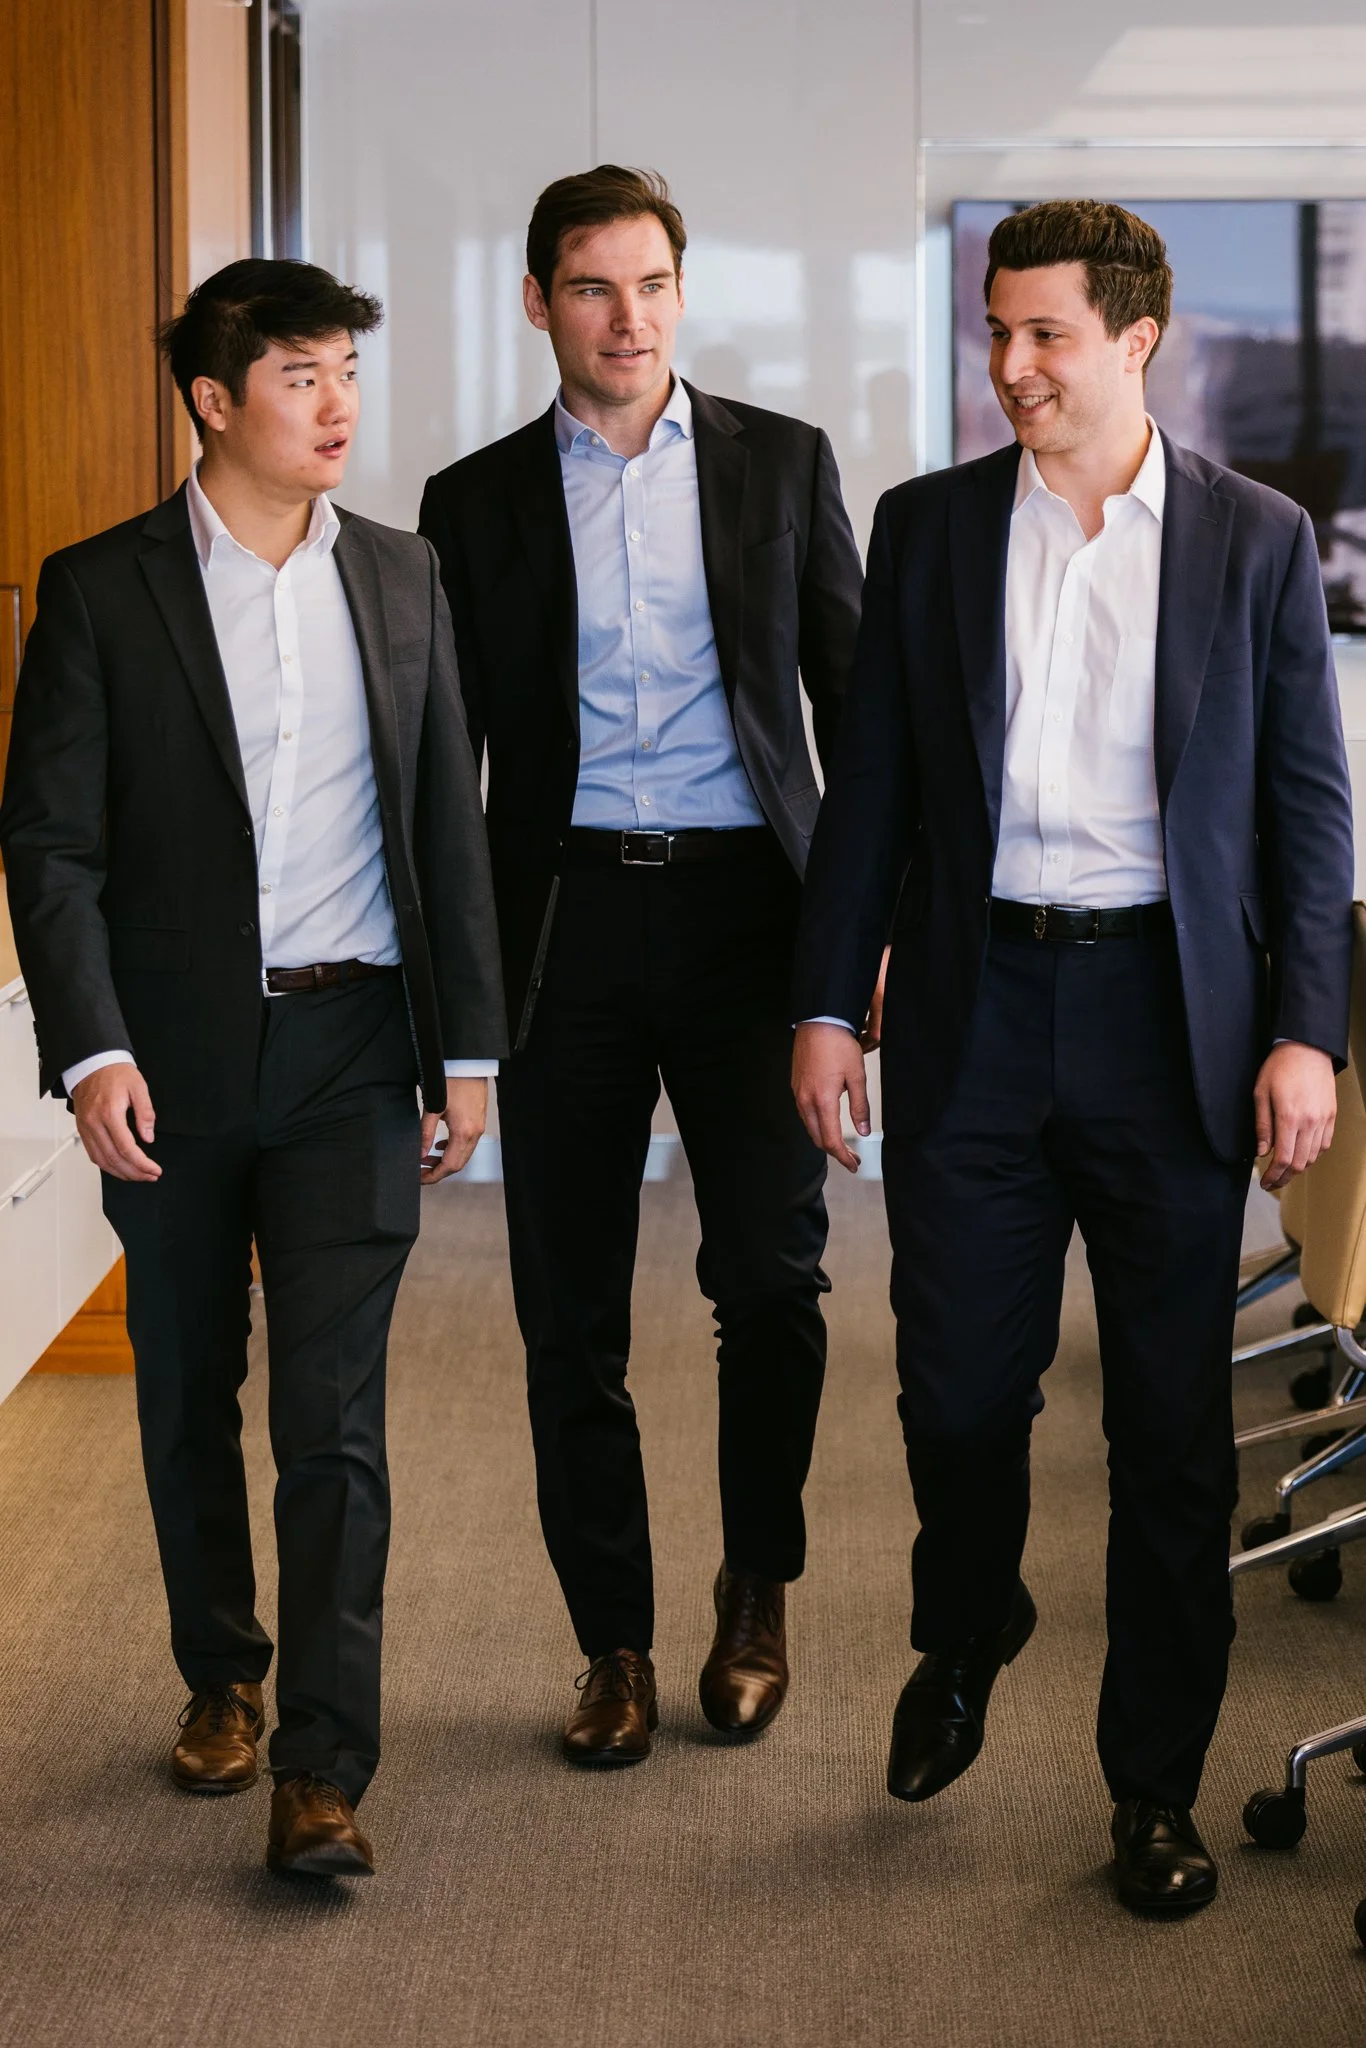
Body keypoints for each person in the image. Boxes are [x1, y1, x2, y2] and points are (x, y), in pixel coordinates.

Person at [791, 200, 1353, 1915]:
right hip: (974, 1014)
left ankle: (1152, 1794)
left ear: (1134, 339)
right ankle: (967, 1627)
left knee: (1170, 1438)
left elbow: (1301, 811)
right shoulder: (930, 529)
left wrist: (1304, 1032)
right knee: (958, 1394)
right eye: (995, 330)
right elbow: (872, 788)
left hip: (1166, 1024)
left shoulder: (1254, 540)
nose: (1008, 366)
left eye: (1042, 334)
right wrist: (825, 1003)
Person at [0, 259, 507, 1879]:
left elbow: (449, 823)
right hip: (174, 1058)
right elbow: (54, 842)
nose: (338, 403)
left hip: (358, 1044)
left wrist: (468, 1049)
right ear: (215, 401)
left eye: (347, 369)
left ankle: (323, 1762)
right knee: (184, 1389)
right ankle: (221, 1672)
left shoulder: (407, 575)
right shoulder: (101, 588)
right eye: (301, 374)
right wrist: (87, 1048)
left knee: (334, 1416)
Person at [419, 166, 862, 1765]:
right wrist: (449, 1009)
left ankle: (757, 1588)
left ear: (685, 289)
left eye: (653, 283)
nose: (629, 318)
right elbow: (440, 768)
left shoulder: (780, 466)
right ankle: (609, 1639)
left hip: (751, 919)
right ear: (537, 299)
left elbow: (856, 726)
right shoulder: (469, 505)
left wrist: (854, 956)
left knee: (774, 1281)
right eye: (594, 288)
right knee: (568, 1315)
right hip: (565, 929)